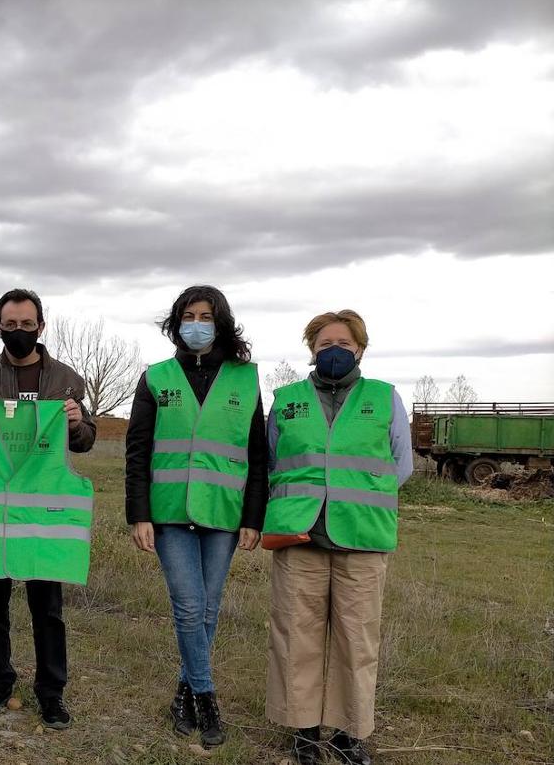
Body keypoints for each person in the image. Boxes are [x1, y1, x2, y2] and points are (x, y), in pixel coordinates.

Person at [0, 288, 97, 730]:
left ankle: (51, 693)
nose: (19, 332)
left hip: (43, 514)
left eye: (27, 324)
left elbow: (84, 442)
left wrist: (76, 423)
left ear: (41, 326)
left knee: (47, 609)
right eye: (10, 325)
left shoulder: (66, 379)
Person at [264, 310, 412, 765]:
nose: (334, 350)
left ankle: (350, 734)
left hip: (362, 540)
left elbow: (401, 466)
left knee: (357, 641)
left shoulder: (385, 399)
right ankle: (304, 732)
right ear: (311, 349)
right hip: (299, 537)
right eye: (324, 343)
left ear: (361, 349)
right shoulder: (286, 399)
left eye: (344, 344)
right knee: (296, 637)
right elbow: (272, 460)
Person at [123, 285, 267, 748]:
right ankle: (207, 698)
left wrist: (253, 517)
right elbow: (138, 450)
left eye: (206, 315)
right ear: (176, 322)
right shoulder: (156, 377)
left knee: (207, 609)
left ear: (220, 322)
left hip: (223, 513)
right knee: (189, 608)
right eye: (188, 314)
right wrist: (138, 514)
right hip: (168, 513)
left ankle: (184, 693)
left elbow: (257, 456)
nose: (196, 323)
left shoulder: (245, 378)